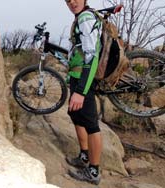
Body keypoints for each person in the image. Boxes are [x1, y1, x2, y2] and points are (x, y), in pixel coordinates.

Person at [64, 0, 102, 185]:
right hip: (77, 75)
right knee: (76, 115)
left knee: (91, 125)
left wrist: (80, 91)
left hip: (84, 80)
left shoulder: (86, 17)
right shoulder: (80, 17)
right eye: (67, 0)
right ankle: (84, 156)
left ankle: (93, 172)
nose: (72, 2)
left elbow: (92, 56)